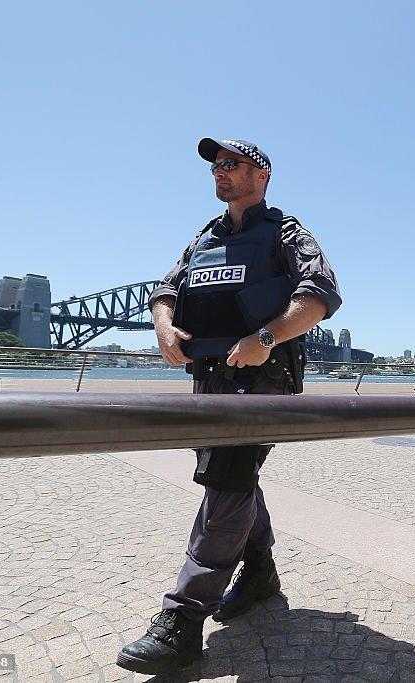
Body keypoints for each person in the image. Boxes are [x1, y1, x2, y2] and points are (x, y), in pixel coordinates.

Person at [116, 138, 342, 675]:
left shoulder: (286, 233)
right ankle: (261, 576)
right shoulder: (205, 236)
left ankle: (184, 617)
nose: (220, 172)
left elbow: (322, 293)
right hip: (209, 378)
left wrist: (266, 334)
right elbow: (166, 288)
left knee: (228, 480)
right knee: (234, 479)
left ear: (262, 174)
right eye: (216, 165)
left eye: (231, 164)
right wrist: (164, 324)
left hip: (263, 379)